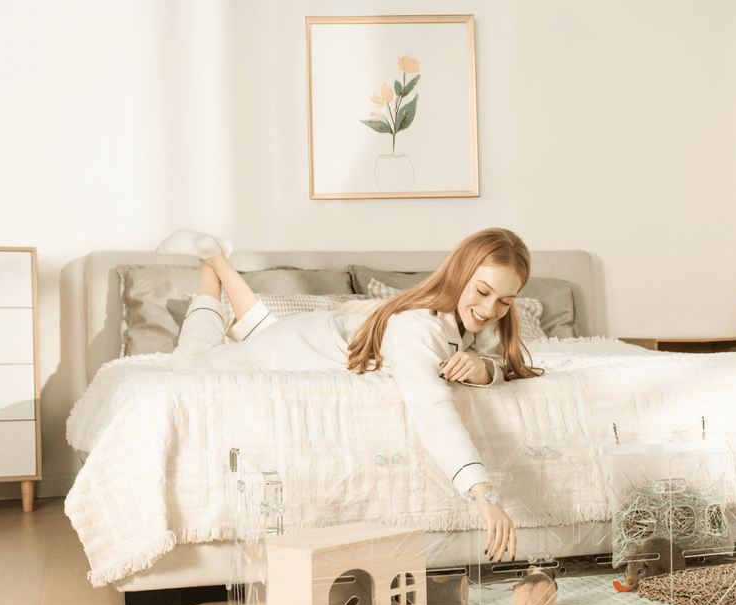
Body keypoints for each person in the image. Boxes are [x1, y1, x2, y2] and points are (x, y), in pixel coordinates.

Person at [157, 227, 544, 562]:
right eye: (482, 292)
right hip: (292, 349)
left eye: (505, 302)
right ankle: (210, 263)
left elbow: (495, 354)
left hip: (316, 333)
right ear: (460, 275)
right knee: (192, 361)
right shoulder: (418, 333)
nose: (490, 309)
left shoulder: (469, 313)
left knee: (259, 328)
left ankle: (217, 260)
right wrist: (483, 495)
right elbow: (433, 411)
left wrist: (484, 369)